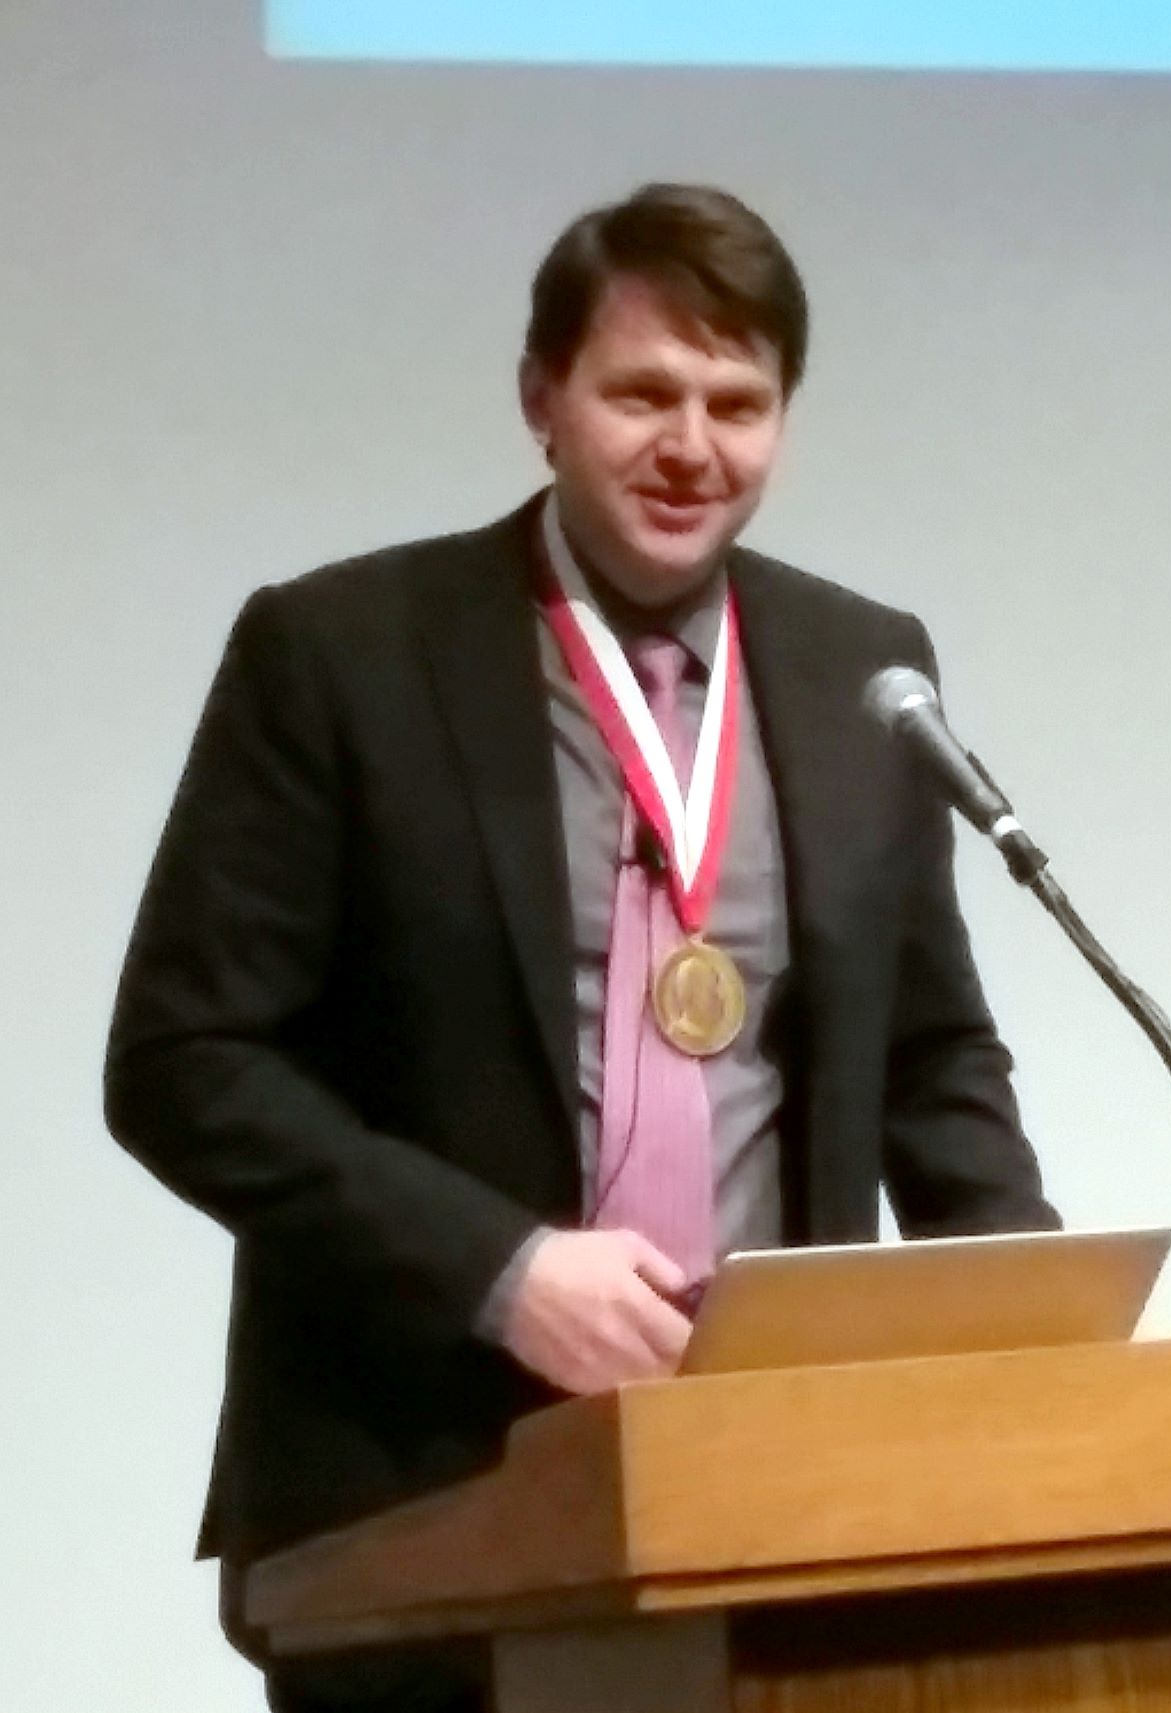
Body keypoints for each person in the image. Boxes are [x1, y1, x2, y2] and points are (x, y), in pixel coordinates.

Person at [104, 183, 1058, 1712]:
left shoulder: (860, 669)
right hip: (417, 1485)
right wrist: (502, 1269)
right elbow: (183, 1064)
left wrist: (1032, 1342)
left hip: (780, 1497)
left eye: (739, 402)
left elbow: (932, 1053)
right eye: (644, 393)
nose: (694, 444)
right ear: (542, 396)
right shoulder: (341, 654)